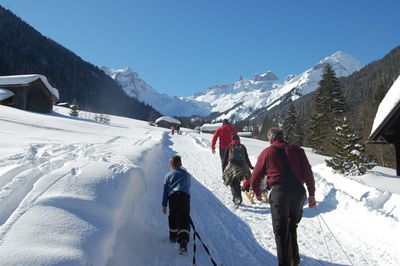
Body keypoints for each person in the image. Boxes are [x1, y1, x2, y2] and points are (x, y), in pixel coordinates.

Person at [250, 128, 316, 266]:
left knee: (281, 232)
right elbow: (308, 172)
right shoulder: (297, 150)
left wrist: (257, 192)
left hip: (280, 193)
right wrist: (311, 195)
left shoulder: (267, 152)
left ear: (270, 139)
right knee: (292, 226)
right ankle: (295, 261)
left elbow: (255, 177)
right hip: (298, 192)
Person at [162, 155, 192, 254]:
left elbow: (165, 191)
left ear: (170, 166)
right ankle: (183, 242)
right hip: (184, 197)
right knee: (184, 218)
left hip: (173, 197)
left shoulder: (168, 175)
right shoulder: (187, 175)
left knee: (173, 216)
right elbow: (188, 185)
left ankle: (173, 236)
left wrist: (164, 204)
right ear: (181, 164)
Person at [222, 134, 253, 207]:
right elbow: (246, 158)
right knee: (238, 182)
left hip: (233, 167)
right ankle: (239, 198)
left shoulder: (229, 146)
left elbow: (225, 159)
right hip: (242, 167)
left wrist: (224, 169)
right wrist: (250, 166)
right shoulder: (242, 146)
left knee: (233, 183)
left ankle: (236, 198)